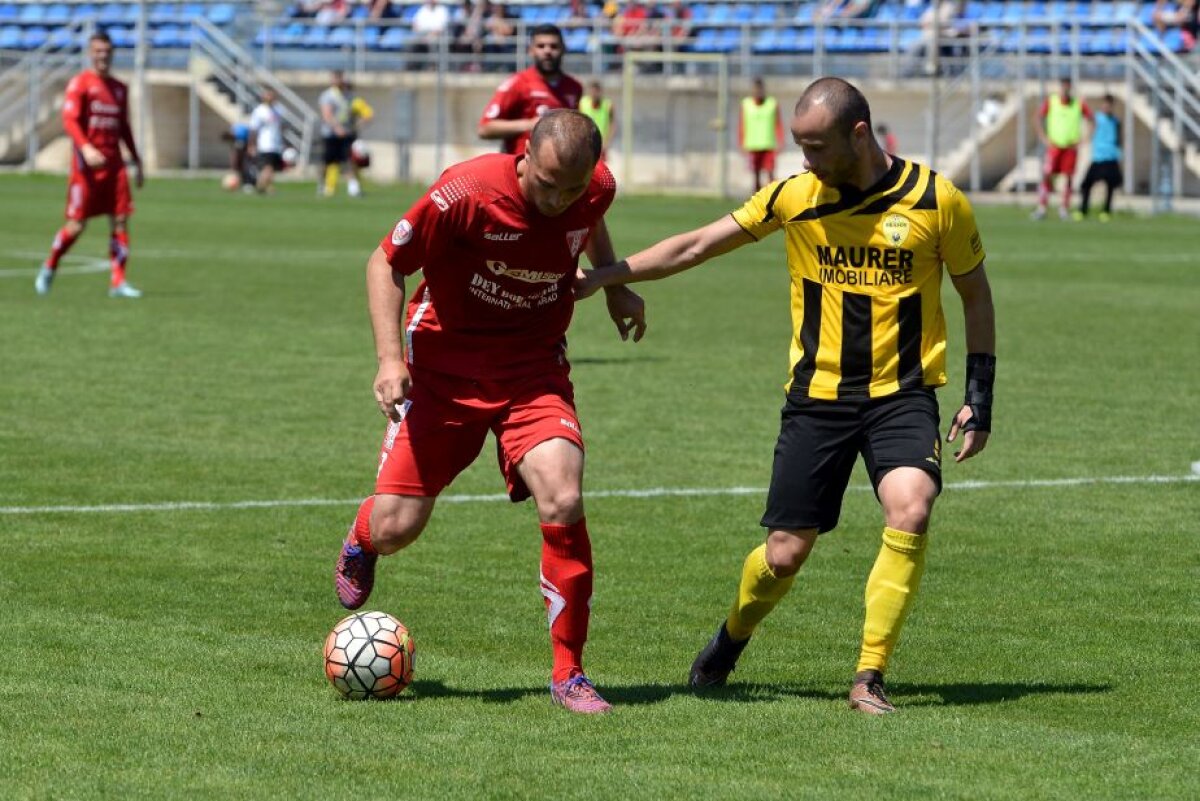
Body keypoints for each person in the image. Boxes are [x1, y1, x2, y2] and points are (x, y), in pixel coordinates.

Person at [576, 77, 996, 715]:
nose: (806, 159)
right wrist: (606, 277)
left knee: (910, 507)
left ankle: (869, 675)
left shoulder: (938, 201)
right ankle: (731, 637)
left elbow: (975, 295)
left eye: (817, 146)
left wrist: (979, 394)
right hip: (817, 399)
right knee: (785, 554)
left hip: (902, 395)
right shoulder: (795, 197)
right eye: (800, 145)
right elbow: (696, 245)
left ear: (859, 134)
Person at [332, 110, 647, 715]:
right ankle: (364, 538)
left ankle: (568, 673)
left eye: (573, 188)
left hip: (532, 367)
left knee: (563, 494)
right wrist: (388, 359)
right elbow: (385, 263)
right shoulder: (465, 193)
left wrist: (613, 286)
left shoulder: (594, 188)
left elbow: (590, 219)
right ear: (523, 157)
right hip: (444, 366)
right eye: (547, 183)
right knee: (400, 527)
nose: (559, 199)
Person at [36, 31, 143, 299]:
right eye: (97, 51)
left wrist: (137, 160)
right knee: (76, 225)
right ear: (90, 53)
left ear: (112, 52)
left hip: (115, 165)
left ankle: (118, 282)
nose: (102, 55)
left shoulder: (120, 88)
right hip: (87, 168)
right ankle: (50, 265)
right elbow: (70, 120)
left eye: (106, 50)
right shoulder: (80, 84)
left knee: (120, 220)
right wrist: (86, 148)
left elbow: (124, 127)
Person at [478, 24, 582, 155]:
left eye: (553, 46)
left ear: (563, 49)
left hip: (559, 171)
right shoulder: (518, 83)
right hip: (522, 170)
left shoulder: (574, 87)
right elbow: (485, 128)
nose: (547, 51)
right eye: (541, 46)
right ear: (531, 50)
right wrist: (530, 124)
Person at [1032, 77, 1092, 221]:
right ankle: (1042, 207)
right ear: (1060, 87)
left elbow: (1091, 119)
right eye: (1063, 86)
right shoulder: (1051, 101)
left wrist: (1084, 139)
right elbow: (1037, 117)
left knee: (1068, 177)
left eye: (1067, 86)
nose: (1065, 89)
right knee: (1047, 175)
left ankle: (1064, 208)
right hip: (1054, 147)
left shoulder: (1077, 103)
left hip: (1070, 147)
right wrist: (1044, 137)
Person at [318, 71, 372, 198]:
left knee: (349, 160)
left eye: (340, 78)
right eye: (336, 78)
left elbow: (361, 112)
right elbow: (327, 114)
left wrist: (356, 125)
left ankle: (353, 188)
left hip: (347, 135)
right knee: (328, 162)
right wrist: (337, 128)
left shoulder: (349, 96)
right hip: (331, 134)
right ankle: (323, 184)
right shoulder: (328, 95)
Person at [1076, 94, 1122, 222]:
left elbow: (1119, 139)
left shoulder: (1116, 121)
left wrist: (1119, 154)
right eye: (1105, 104)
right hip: (1098, 158)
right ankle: (1082, 210)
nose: (1107, 107)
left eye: (1109, 105)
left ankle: (1106, 211)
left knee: (1110, 186)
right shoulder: (1096, 118)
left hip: (1111, 157)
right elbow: (1087, 118)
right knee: (1085, 185)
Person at [739, 77, 785, 192]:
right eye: (755, 89)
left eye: (760, 89)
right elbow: (741, 124)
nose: (758, 92)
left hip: (768, 144)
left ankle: (773, 198)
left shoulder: (772, 103)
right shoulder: (746, 104)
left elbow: (778, 123)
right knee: (756, 176)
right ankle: (757, 202)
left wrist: (781, 140)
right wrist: (741, 142)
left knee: (770, 174)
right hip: (752, 145)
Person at [247, 88, 285, 194]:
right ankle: (259, 185)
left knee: (272, 168)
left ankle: (267, 187)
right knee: (268, 168)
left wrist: (283, 142)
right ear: (263, 97)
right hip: (265, 144)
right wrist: (251, 144)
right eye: (267, 95)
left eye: (272, 95)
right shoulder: (259, 111)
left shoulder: (279, 109)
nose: (270, 97)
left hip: (276, 144)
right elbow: (253, 129)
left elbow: (280, 127)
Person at [578, 80, 616, 159]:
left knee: (601, 169)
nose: (594, 94)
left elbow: (612, 124)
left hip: (601, 144)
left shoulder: (608, 105)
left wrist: (607, 142)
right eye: (592, 91)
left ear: (600, 92)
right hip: (586, 144)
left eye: (596, 91)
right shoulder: (583, 103)